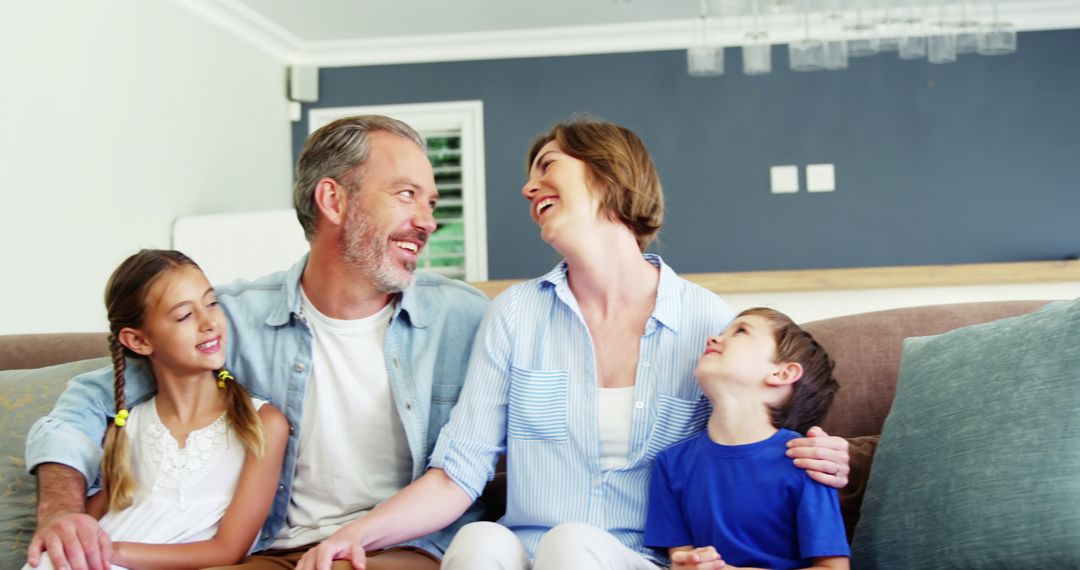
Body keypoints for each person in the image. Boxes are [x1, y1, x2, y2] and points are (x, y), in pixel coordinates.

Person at [297, 118, 852, 570]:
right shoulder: (516, 313)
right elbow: (458, 473)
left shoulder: (704, 319)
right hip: (528, 551)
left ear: (607, 176)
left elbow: (746, 436)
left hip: (641, 559)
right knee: (478, 544)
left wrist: (816, 450)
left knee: (571, 547)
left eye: (547, 167)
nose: (527, 186)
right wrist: (355, 536)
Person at [24, 115, 489, 570]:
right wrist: (61, 510)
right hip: (269, 548)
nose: (427, 221)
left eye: (430, 202)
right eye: (407, 195)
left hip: (397, 548)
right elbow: (87, 402)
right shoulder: (227, 320)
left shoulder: (466, 319)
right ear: (333, 200)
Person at [25, 250, 288, 570]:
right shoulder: (126, 426)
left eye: (211, 303)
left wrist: (110, 552)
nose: (209, 323)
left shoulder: (262, 424)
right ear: (138, 341)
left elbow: (227, 550)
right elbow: (88, 525)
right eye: (184, 316)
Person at [644, 307, 850, 570]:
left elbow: (834, 568)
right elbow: (680, 558)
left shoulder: (806, 461)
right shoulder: (670, 465)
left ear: (782, 373)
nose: (713, 339)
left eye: (740, 331)